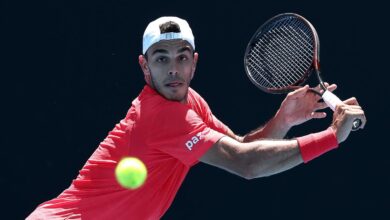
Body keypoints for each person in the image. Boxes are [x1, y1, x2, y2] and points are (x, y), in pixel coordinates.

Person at [27, 16, 366, 220]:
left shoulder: (190, 102)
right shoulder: (158, 116)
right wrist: (332, 136)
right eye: (161, 59)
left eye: (181, 57)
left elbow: (240, 146)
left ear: (194, 63)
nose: (173, 68)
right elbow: (245, 164)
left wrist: (283, 120)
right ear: (144, 66)